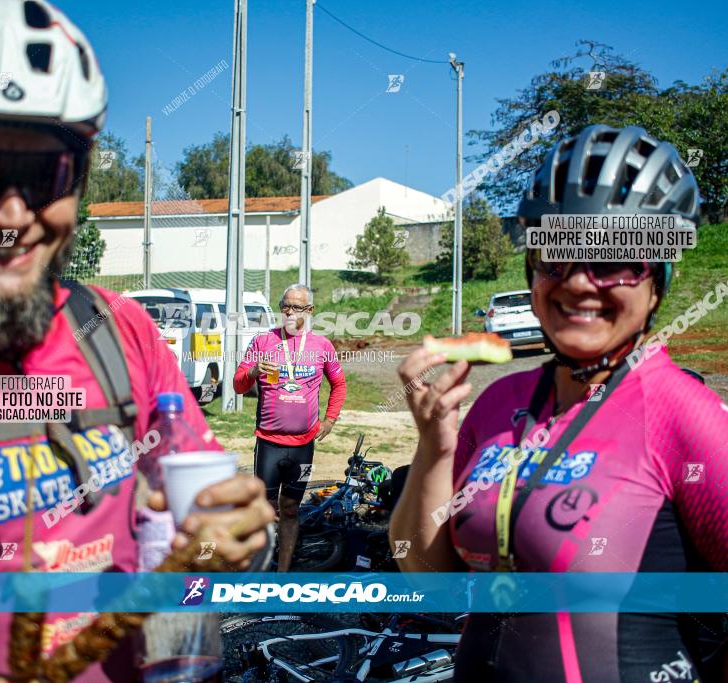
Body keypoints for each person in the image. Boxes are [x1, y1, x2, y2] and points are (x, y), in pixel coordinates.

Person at [0, 1, 273, 681]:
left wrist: (238, 541)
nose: (9, 215)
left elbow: (201, 532)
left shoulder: (117, 332)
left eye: (45, 176)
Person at [390, 125, 728, 682]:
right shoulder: (500, 404)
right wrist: (434, 446)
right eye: (557, 257)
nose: (578, 283)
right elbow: (428, 579)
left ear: (658, 280)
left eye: (614, 259)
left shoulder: (680, 413)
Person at [234, 284, 346, 571]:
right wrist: (254, 371)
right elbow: (238, 384)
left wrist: (331, 418)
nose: (290, 312)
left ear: (310, 311)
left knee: (291, 508)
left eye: (297, 307)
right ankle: (259, 566)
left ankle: (283, 573)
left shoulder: (322, 346)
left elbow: (339, 384)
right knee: (265, 509)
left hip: (303, 446)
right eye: (285, 306)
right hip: (269, 443)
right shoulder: (263, 342)